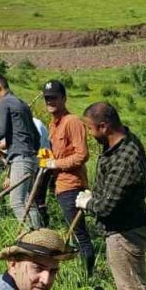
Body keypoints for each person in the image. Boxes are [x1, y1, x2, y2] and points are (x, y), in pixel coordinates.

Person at [75, 102, 146, 290]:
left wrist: (88, 203)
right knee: (136, 280)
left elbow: (106, 207)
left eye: (90, 128)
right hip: (128, 226)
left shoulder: (125, 158)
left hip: (125, 232)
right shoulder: (119, 143)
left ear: (104, 127)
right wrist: (95, 195)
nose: (89, 134)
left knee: (131, 288)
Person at [38, 80, 96, 278]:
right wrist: (46, 158)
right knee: (74, 232)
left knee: (80, 234)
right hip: (60, 185)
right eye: (47, 98)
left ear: (63, 98)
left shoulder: (72, 122)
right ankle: (82, 272)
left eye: (54, 97)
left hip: (72, 184)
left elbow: (82, 155)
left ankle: (88, 277)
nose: (50, 101)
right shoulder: (53, 125)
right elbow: (54, 153)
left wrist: (55, 163)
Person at [0, 74, 43, 229]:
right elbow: (36, 135)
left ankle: (30, 236)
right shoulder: (22, 103)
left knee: (16, 202)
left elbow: (0, 131)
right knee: (28, 201)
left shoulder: (4, 102)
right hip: (31, 158)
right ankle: (40, 234)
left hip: (20, 158)